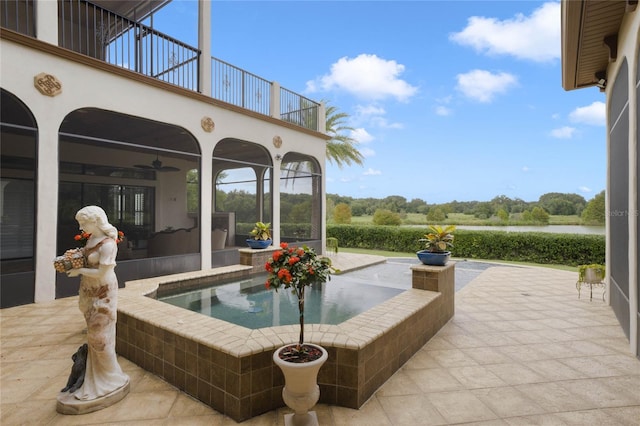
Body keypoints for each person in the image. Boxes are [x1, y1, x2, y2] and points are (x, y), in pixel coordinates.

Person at [65, 205, 129, 401]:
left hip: (103, 292)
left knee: (100, 337)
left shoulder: (109, 244)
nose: (81, 227)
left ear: (96, 221)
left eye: (83, 223)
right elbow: (86, 259)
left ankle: (111, 378)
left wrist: (79, 271)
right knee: (94, 335)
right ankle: (94, 377)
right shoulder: (91, 240)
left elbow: (103, 272)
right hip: (88, 290)